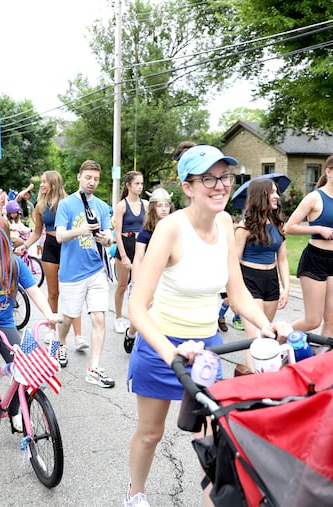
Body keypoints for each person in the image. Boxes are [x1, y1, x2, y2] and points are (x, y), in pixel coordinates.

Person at [125, 145, 278, 506]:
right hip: (163, 344)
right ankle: (135, 494)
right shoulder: (170, 229)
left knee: (213, 434)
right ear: (187, 187)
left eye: (224, 177)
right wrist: (171, 351)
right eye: (207, 178)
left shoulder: (226, 223)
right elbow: (136, 306)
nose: (219, 185)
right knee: (151, 433)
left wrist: (265, 324)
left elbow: (236, 290)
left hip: (206, 348)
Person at [0, 215, 59, 431]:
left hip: (4, 321)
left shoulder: (14, 265)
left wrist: (49, 314)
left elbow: (35, 292)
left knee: (23, 366)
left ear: (3, 240)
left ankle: (15, 411)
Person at [54, 160, 116, 388]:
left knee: (99, 318)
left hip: (96, 270)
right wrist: (82, 230)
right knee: (68, 318)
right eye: (88, 177)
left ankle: (94, 368)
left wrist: (106, 239)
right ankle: (61, 342)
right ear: (79, 177)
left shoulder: (101, 206)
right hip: (71, 273)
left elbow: (109, 237)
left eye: (96, 179)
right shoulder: (67, 204)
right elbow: (60, 236)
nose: (92, 182)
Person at [284, 154, 333, 337]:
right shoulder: (314, 198)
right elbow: (288, 227)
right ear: (328, 172)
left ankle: (325, 359)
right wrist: (318, 229)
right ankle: (277, 335)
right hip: (315, 259)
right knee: (313, 321)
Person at [24, 171, 84, 345]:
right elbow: (37, 232)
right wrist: (25, 245)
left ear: (54, 183)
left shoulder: (69, 203)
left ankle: (78, 335)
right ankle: (52, 329)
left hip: (68, 246)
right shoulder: (40, 206)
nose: (41, 185)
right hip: (50, 246)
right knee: (53, 292)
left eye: (44, 182)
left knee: (73, 292)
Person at [235, 178, 290, 338]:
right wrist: (233, 295)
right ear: (261, 196)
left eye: (276, 192)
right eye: (272, 192)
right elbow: (234, 262)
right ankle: (250, 364)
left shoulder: (277, 224)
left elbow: (282, 259)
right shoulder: (244, 226)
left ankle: (256, 364)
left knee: (267, 336)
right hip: (250, 280)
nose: (277, 196)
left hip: (271, 280)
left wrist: (286, 288)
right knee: (255, 338)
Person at [123, 187, 173, 353]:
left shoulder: (174, 228)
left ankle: (154, 345)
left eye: (167, 205)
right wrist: (135, 282)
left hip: (168, 277)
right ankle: (131, 333)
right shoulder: (145, 231)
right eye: (160, 205)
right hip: (148, 275)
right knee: (142, 310)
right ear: (153, 208)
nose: (164, 209)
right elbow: (138, 257)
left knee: (161, 311)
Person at [112, 171, 148, 334]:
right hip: (125, 245)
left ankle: (138, 319)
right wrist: (124, 256)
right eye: (136, 184)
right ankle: (118, 318)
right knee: (122, 285)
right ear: (128, 185)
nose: (140, 187)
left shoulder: (146, 205)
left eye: (141, 184)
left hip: (141, 246)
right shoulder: (121, 206)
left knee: (141, 285)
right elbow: (117, 233)